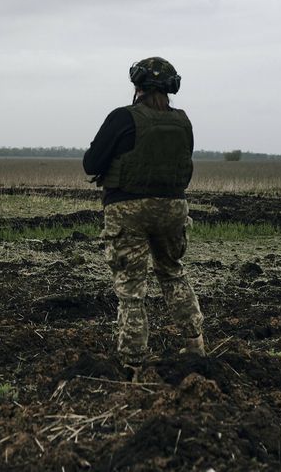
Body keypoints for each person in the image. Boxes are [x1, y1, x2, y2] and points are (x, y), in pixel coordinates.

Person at [83, 56, 205, 372]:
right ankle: (195, 343)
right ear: (170, 88)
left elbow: (91, 164)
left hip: (127, 209)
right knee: (172, 271)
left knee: (131, 288)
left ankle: (133, 363)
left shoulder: (122, 118)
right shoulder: (183, 122)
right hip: (172, 208)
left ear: (137, 86)